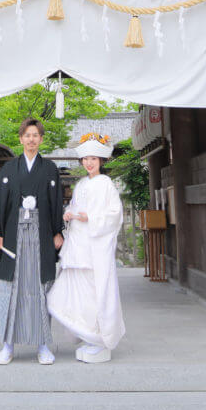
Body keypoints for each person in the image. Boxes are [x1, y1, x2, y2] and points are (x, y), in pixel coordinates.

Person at [0, 118, 64, 365]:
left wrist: (58, 231)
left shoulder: (49, 169)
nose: (31, 139)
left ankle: (42, 345)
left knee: (41, 289)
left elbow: (56, 201)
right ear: (20, 139)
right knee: (11, 288)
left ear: (41, 139)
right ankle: (8, 346)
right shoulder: (9, 170)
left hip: (41, 234)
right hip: (14, 234)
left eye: (35, 135)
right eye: (27, 135)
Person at [47, 132, 125, 363]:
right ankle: (87, 336)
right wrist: (69, 215)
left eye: (94, 158)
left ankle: (100, 339)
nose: (89, 162)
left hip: (96, 247)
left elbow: (114, 215)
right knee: (77, 292)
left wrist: (88, 217)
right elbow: (73, 208)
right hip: (78, 244)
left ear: (101, 160)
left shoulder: (106, 184)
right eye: (86, 158)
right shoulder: (80, 184)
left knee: (95, 291)